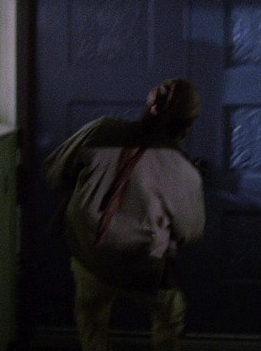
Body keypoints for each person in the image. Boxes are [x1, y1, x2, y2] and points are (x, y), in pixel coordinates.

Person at [44, 78, 205, 350]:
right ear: (188, 125)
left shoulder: (100, 131)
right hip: (142, 267)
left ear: (149, 105)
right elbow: (190, 231)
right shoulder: (183, 170)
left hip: (90, 257)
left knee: (92, 322)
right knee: (170, 314)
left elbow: (55, 173)